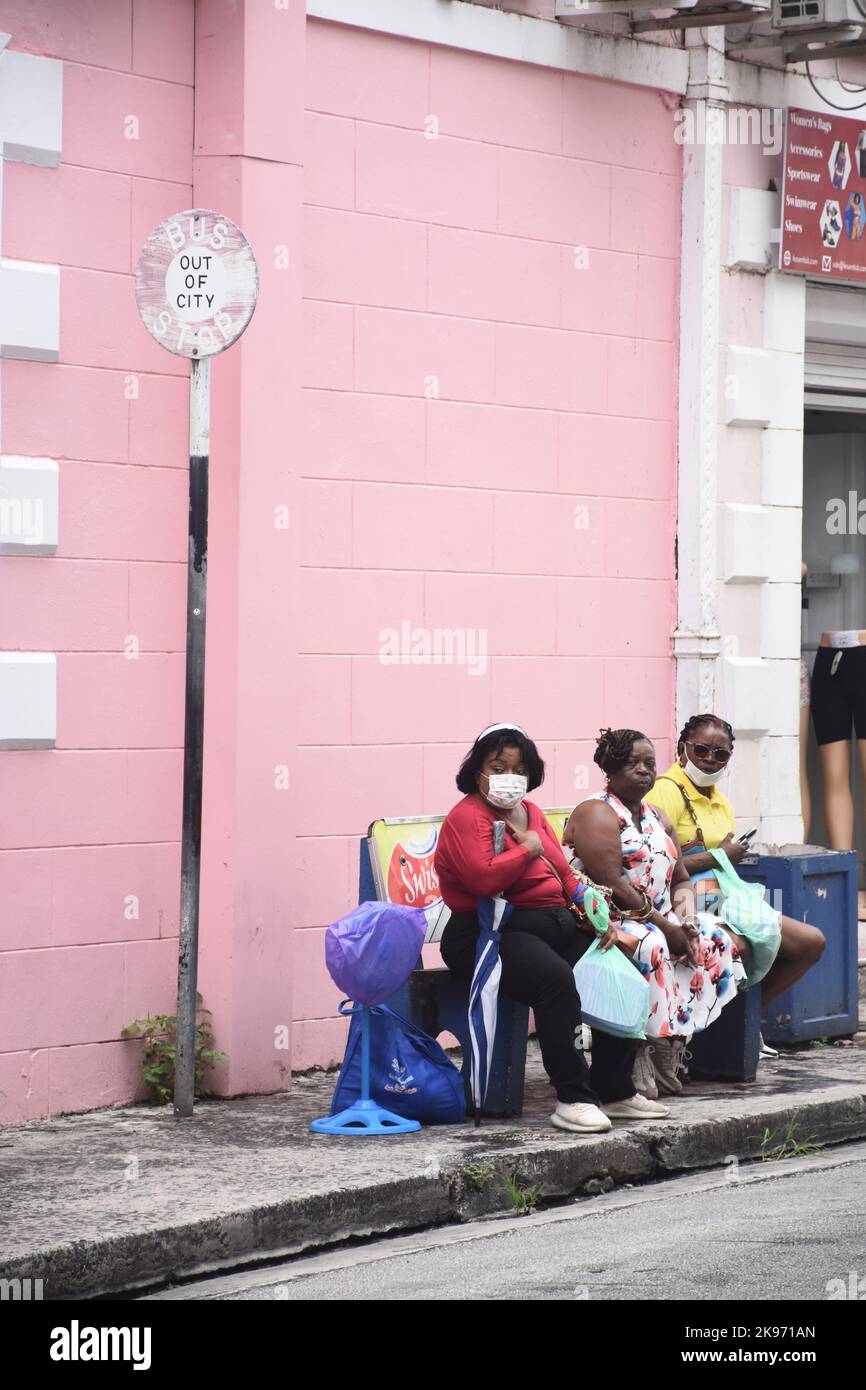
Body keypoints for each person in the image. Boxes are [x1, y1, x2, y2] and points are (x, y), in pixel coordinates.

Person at [434, 722, 670, 1134]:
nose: (511, 777)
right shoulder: (466, 817)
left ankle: (613, 1091)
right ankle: (573, 1097)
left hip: (550, 923)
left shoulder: (532, 812)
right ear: (477, 772)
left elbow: (565, 875)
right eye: (499, 766)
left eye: (519, 768)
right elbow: (484, 881)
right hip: (490, 933)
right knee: (556, 981)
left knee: (625, 970)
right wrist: (527, 849)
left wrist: (599, 920)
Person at [564, 729, 747, 1099]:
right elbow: (611, 881)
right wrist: (667, 927)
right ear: (610, 769)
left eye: (650, 763)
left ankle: (673, 1038)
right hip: (606, 918)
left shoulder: (657, 817)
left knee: (715, 937)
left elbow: (680, 879)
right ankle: (642, 1046)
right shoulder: (597, 811)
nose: (645, 771)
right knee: (652, 945)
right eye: (634, 764)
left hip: (658, 915)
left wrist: (688, 922)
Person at [647, 715, 826, 1059]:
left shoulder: (719, 800)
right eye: (701, 750)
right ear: (683, 749)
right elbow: (657, 861)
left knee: (809, 943)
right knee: (739, 947)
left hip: (724, 893)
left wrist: (727, 855)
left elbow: (720, 857)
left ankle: (743, 1022)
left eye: (720, 754)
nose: (710, 760)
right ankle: (706, 1031)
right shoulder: (665, 791)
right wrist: (719, 856)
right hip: (681, 898)